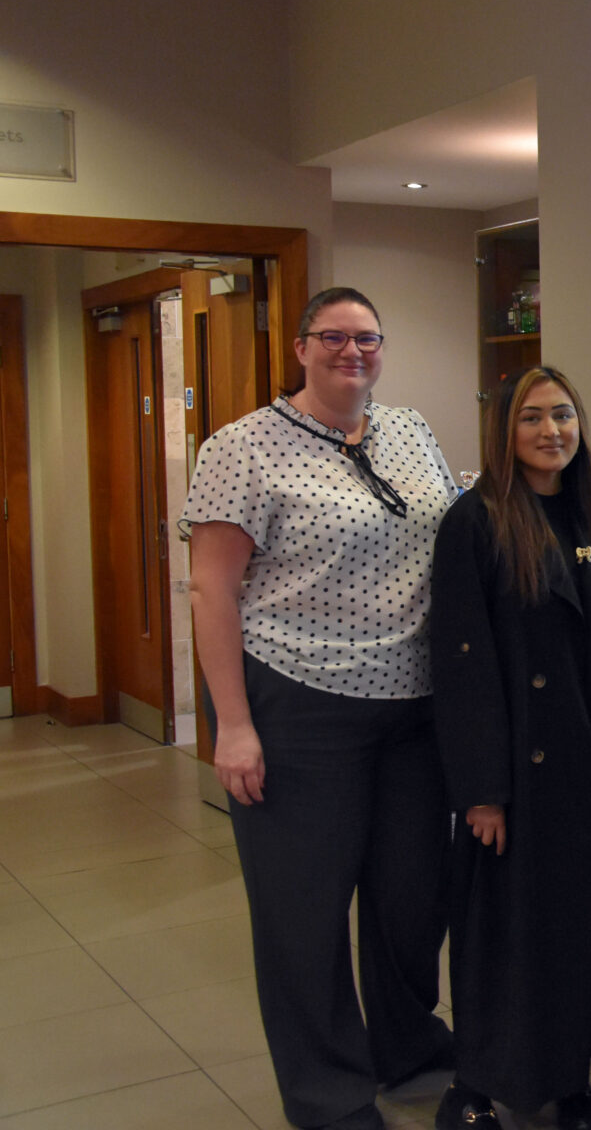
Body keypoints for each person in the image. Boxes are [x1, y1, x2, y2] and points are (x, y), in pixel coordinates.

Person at [184, 287, 457, 1130]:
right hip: (298, 702)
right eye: (333, 338)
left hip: (414, 704)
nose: (353, 352)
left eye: (368, 337)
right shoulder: (241, 447)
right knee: (303, 914)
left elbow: (454, 525)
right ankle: (329, 1095)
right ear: (300, 348)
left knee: (413, 898)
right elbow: (211, 590)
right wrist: (233, 725)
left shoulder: (409, 430)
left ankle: (408, 1044)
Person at [429, 366, 591, 1130]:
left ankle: (572, 1076)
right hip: (519, 772)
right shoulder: (477, 521)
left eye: (563, 415)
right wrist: (480, 788)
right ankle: (477, 1082)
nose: (551, 431)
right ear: (506, 431)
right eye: (532, 418)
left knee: (586, 927)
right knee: (508, 934)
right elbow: (463, 665)